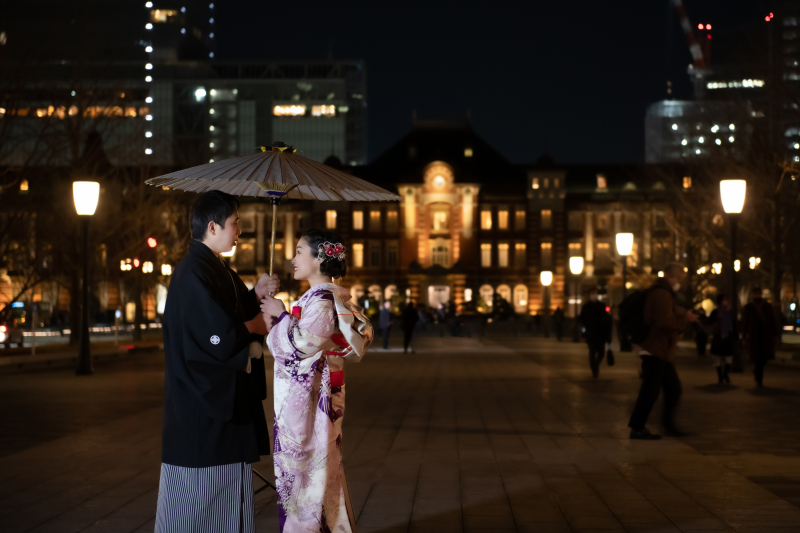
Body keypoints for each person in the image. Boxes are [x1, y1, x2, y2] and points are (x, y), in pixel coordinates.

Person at [156, 191, 275, 533]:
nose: (239, 231)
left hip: (218, 401)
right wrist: (254, 324)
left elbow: (233, 311)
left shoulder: (213, 266)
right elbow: (216, 334)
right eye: (235, 223)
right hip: (203, 404)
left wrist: (257, 294)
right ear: (212, 226)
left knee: (221, 496)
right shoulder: (192, 272)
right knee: (200, 502)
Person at [261, 229, 372, 533]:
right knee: (322, 471)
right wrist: (280, 318)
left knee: (307, 475)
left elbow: (299, 346)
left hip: (312, 404)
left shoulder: (322, 301)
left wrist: (282, 316)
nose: (292, 258)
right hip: (319, 396)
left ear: (319, 257)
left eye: (299, 251)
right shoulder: (324, 298)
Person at [628, 262, 698, 440]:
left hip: (661, 350)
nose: (679, 283)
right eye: (679, 279)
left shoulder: (663, 292)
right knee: (650, 391)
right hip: (655, 348)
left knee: (673, 389)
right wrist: (685, 318)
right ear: (670, 276)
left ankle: (667, 426)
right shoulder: (661, 293)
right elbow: (664, 320)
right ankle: (638, 428)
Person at [741, 287, 778, 387]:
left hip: (766, 335)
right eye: (755, 293)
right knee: (757, 356)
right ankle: (759, 378)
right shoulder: (748, 307)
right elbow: (745, 323)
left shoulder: (767, 306)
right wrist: (744, 336)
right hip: (754, 335)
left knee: (765, 356)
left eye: (758, 293)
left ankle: (757, 371)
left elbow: (772, 321)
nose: (757, 295)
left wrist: (775, 334)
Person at [579, 288, 612, 378]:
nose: (594, 295)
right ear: (590, 295)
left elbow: (606, 319)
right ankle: (594, 369)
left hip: (601, 334)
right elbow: (581, 318)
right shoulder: (586, 307)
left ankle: (595, 366)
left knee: (601, 353)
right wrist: (587, 326)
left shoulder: (601, 305)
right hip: (591, 333)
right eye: (592, 294)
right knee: (592, 352)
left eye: (595, 294)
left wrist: (607, 332)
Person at [708, 294, 735, 384]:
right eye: (724, 299)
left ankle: (725, 374)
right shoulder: (715, 312)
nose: (726, 301)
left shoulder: (730, 311)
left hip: (728, 337)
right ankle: (720, 376)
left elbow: (734, 324)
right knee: (718, 358)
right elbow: (710, 322)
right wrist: (717, 317)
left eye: (727, 299)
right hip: (719, 337)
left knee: (728, 358)